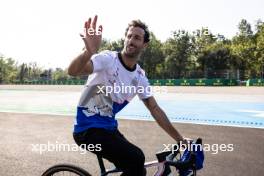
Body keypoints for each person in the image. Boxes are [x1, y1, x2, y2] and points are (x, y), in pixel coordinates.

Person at [69, 15, 187, 176]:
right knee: (136, 158)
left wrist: (180, 139)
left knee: (138, 168)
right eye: (129, 36)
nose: (131, 40)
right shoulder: (108, 59)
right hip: (87, 131)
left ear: (144, 44)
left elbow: (155, 109)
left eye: (137, 38)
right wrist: (88, 52)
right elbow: (73, 71)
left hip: (108, 128)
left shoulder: (139, 77)